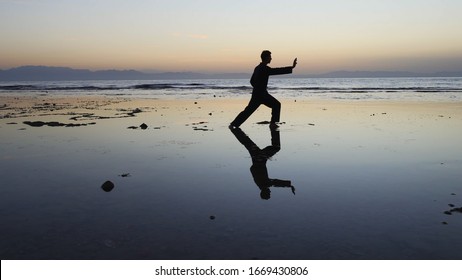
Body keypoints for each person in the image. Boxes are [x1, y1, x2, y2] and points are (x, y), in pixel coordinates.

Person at [229, 50, 297, 129]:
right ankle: (272, 124)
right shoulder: (264, 68)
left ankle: (233, 124)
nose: (271, 59)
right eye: (270, 57)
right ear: (266, 57)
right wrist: (291, 67)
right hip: (262, 95)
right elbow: (277, 71)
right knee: (276, 105)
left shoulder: (257, 68)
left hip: (257, 94)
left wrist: (257, 88)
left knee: (248, 111)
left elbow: (252, 81)